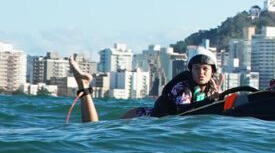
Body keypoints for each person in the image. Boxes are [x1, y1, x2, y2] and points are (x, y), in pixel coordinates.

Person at [68, 47, 221, 122]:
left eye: (205, 69)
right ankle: (84, 86)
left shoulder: (210, 87)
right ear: (190, 70)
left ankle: (84, 86)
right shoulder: (182, 89)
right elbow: (184, 111)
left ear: (212, 71)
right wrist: (210, 101)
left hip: (145, 117)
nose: (201, 72)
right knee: (94, 130)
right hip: (142, 119)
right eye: (196, 68)